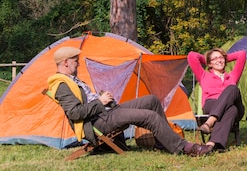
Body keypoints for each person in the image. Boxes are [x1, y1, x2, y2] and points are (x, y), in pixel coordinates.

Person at [47, 46, 213, 157]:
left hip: (106, 112)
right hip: (98, 122)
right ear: (66, 62)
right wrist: (99, 101)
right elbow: (75, 113)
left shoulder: (72, 80)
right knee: (150, 117)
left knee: (152, 100)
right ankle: (186, 148)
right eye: (75, 60)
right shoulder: (62, 85)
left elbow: (86, 100)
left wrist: (102, 97)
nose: (78, 64)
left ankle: (163, 142)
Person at [187, 47, 246, 153]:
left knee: (232, 88)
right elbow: (192, 56)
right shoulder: (204, 76)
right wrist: (207, 59)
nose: (219, 60)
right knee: (231, 109)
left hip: (235, 106)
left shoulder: (232, 76)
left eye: (221, 58)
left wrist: (223, 58)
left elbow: (242, 54)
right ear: (209, 63)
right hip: (212, 104)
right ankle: (212, 144)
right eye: (215, 59)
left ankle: (210, 122)